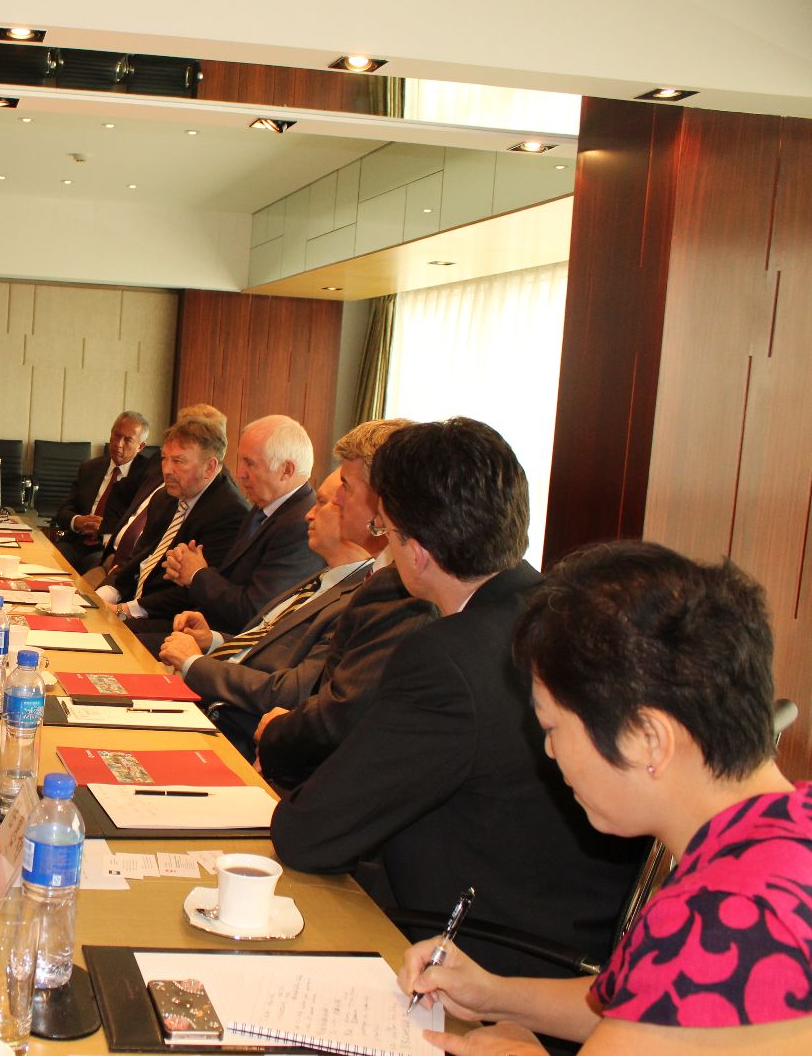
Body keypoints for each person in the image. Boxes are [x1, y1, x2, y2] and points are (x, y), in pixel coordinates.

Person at [400, 542, 812, 1056]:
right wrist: (493, 994)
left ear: (647, 738)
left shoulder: (725, 916)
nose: (549, 751)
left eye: (553, 727)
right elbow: (645, 1004)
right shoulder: (783, 830)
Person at [269, 418, 644, 980]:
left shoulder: (448, 659)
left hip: (487, 955)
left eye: (387, 530)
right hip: (569, 929)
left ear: (417, 552)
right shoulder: (564, 611)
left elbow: (309, 834)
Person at [159, 452, 434, 762]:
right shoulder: (326, 576)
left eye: (327, 500)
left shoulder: (372, 594)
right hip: (218, 699)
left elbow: (295, 692)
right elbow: (269, 643)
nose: (309, 514)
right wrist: (214, 641)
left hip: (239, 729)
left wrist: (195, 663)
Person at [94, 414, 247, 648]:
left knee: (103, 638)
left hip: (174, 619)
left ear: (210, 467)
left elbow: (190, 592)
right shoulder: (164, 498)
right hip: (136, 602)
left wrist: (124, 610)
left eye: (179, 461)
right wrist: (107, 594)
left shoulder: (229, 513)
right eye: (165, 458)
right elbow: (138, 558)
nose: (167, 470)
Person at [161, 414, 324, 634]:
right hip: (207, 627)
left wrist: (197, 573)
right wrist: (187, 567)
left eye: (250, 463)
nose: (239, 473)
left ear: (286, 470)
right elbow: (234, 580)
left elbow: (256, 612)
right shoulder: (264, 507)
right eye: (241, 461)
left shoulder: (301, 525)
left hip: (235, 644)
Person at [52, 411, 154, 572]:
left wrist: (107, 527)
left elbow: (141, 525)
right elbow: (63, 512)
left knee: (94, 567)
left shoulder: (147, 477)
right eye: (116, 435)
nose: (118, 444)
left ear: (140, 447)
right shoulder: (90, 467)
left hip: (109, 548)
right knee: (49, 559)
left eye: (128, 440)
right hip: (76, 541)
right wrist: (77, 521)